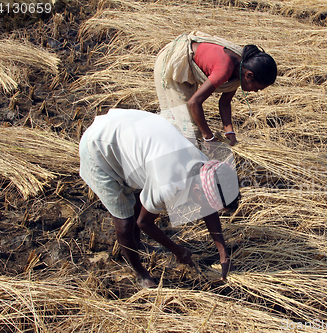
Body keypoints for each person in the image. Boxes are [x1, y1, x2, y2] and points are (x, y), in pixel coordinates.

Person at [79, 108, 240, 288]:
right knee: (125, 222)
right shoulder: (168, 183)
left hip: (128, 131)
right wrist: (176, 250)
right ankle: (140, 273)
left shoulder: (204, 166)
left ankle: (138, 243)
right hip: (98, 146)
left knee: (140, 201)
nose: (208, 208)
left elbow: (208, 208)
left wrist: (223, 253)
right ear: (197, 189)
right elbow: (144, 223)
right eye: (209, 203)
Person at [154, 31, 277, 146]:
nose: (255, 91)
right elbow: (194, 102)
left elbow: (225, 102)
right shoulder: (224, 69)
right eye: (258, 88)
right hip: (174, 63)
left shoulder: (240, 68)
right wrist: (208, 137)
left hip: (188, 68)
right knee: (188, 129)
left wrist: (229, 132)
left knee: (183, 125)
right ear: (249, 75)